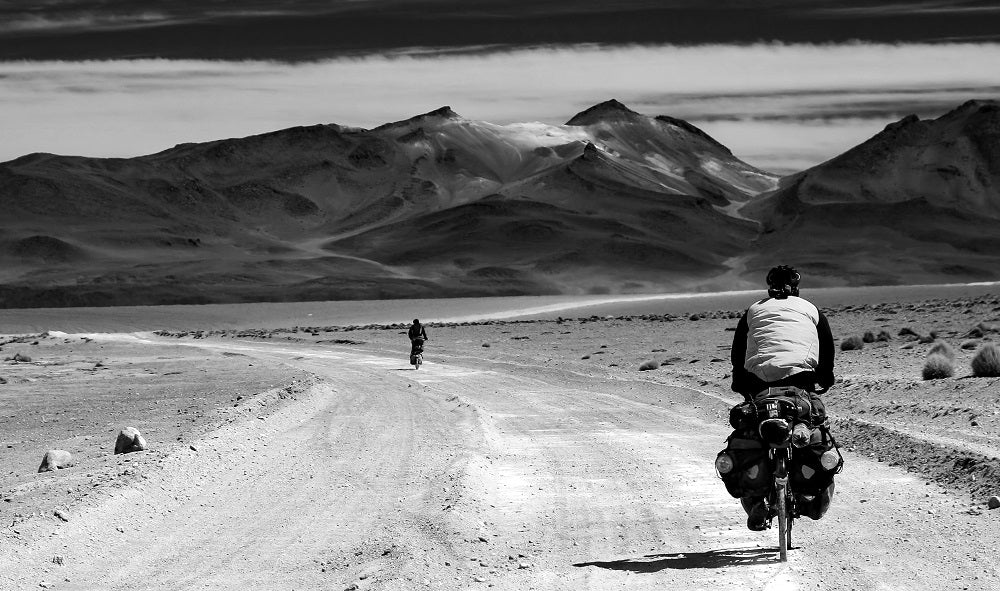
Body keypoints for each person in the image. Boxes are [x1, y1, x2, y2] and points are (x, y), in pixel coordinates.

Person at [729, 265, 836, 531]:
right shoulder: (811, 309)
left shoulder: (753, 310)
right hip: (800, 381)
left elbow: (738, 352)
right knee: (812, 421)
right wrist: (826, 377)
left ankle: (757, 500)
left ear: (768, 286)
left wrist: (739, 382)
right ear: (797, 287)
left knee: (753, 427)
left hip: (758, 382)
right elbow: (827, 348)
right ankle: (809, 493)